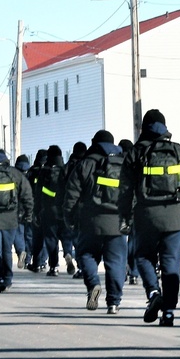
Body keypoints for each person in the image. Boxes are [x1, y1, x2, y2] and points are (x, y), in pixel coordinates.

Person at [118, 109, 180, 326]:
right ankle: (169, 312)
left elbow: (125, 189)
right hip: (175, 216)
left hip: (146, 216)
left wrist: (125, 217)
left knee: (143, 257)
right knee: (171, 265)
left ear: (143, 128)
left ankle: (154, 293)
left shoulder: (136, 153)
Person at [61, 129, 127, 313]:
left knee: (86, 255)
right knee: (116, 262)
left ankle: (93, 285)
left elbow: (71, 195)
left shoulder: (85, 164)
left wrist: (70, 218)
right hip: (117, 222)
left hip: (90, 221)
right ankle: (114, 302)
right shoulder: (123, 164)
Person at [0, 149, 34, 293]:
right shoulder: (15, 173)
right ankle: (8, 278)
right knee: (6, 250)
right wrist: (28, 213)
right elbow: (27, 194)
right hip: (10, 218)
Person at [34, 145, 67, 276]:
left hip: (49, 209)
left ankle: (54, 266)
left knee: (51, 238)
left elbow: (38, 193)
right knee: (66, 237)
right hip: (64, 209)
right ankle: (68, 254)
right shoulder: (66, 169)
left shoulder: (45, 171)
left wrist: (36, 211)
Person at [59, 141, 87, 276]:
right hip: (85, 207)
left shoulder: (66, 167)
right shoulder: (88, 166)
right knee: (81, 239)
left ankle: (68, 254)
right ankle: (82, 266)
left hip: (69, 205)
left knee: (67, 235)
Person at [118, 138, 138, 286]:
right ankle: (134, 274)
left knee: (121, 241)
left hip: (122, 206)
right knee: (134, 241)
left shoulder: (118, 163)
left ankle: (123, 269)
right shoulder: (136, 160)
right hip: (137, 206)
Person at [25, 149, 49, 272]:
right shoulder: (49, 171)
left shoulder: (31, 172)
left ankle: (33, 261)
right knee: (46, 235)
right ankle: (44, 261)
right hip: (47, 207)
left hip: (34, 206)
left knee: (33, 236)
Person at [13, 154, 32, 269]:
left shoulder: (13, 174)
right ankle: (28, 259)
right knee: (29, 235)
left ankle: (21, 251)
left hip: (16, 209)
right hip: (29, 208)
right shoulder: (31, 174)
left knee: (18, 233)